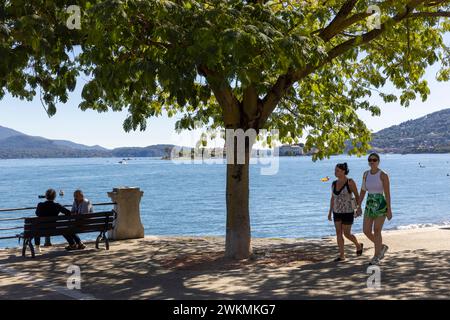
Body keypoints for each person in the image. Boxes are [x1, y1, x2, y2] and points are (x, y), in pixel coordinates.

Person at [357, 153, 392, 266]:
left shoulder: (383, 175)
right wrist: (359, 206)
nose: (372, 162)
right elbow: (362, 191)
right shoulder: (366, 174)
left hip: (380, 203)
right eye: (370, 160)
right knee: (366, 230)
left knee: (377, 230)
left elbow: (387, 193)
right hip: (370, 203)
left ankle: (376, 256)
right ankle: (381, 247)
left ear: (378, 161)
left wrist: (389, 209)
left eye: (374, 160)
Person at [328, 163, 363, 262]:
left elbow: (357, 195)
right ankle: (342, 255)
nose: (335, 172)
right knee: (338, 233)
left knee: (347, 234)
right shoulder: (334, 183)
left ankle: (358, 245)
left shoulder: (350, 182)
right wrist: (330, 212)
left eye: (337, 170)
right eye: (335, 170)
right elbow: (332, 198)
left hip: (348, 212)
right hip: (336, 212)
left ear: (343, 171)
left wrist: (358, 208)